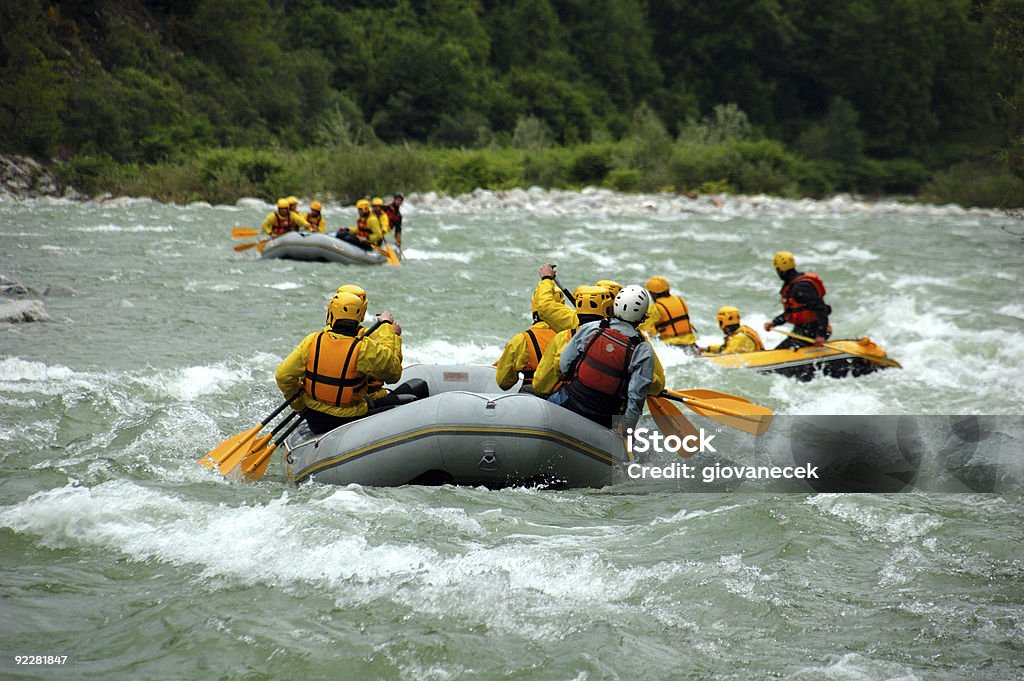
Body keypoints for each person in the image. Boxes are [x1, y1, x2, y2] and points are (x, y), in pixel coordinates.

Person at [275, 292, 404, 434]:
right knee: (411, 399)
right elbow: (393, 373)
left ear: (331, 313)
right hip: (348, 420)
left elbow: (283, 376)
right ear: (359, 316)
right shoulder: (363, 348)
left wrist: (300, 406)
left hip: (315, 419)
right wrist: (390, 331)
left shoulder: (312, 341)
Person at [553, 285, 658, 435]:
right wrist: (626, 430)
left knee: (542, 398)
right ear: (642, 317)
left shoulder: (591, 328)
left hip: (572, 400)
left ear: (614, 307)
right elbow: (635, 399)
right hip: (604, 417)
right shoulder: (643, 350)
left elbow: (564, 365)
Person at [764, 251, 831, 349]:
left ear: (779, 270)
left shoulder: (801, 287)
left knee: (782, 352)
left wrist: (820, 335)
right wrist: (774, 323)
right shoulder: (791, 285)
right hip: (801, 330)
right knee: (779, 350)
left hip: (812, 330)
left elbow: (821, 310)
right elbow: (790, 313)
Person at [639, 276, 698, 353]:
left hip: (674, 347)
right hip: (691, 344)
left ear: (653, 293)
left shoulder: (656, 308)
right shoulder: (680, 300)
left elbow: (642, 328)